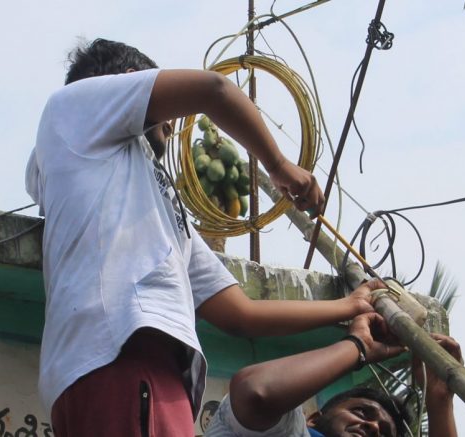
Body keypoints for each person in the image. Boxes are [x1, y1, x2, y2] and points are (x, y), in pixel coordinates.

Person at [25, 38, 372, 436]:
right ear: (129, 83)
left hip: (135, 377)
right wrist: (279, 166)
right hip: (125, 363)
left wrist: (349, 307)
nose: (172, 124)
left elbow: (241, 314)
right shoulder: (71, 108)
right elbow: (214, 90)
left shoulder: (157, 207)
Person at [204, 313, 463, 437]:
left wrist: (440, 401)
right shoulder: (288, 432)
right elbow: (255, 391)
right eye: (362, 412)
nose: (373, 427)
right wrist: (358, 347)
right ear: (314, 419)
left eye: (384, 435)